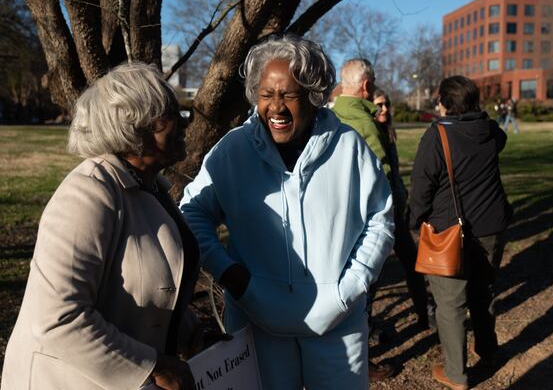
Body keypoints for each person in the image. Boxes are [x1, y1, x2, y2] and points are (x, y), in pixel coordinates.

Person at [179, 35, 394, 390]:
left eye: (289, 95)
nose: (276, 107)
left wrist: (349, 288)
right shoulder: (232, 151)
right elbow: (193, 213)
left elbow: (380, 220)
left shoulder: (348, 148)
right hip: (256, 323)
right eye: (266, 94)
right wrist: (232, 276)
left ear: (312, 95)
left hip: (336, 326)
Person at [1, 63, 201, 390]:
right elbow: (57, 319)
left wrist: (192, 333)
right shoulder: (88, 194)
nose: (183, 122)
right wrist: (153, 365)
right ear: (135, 127)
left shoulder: (151, 188)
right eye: (170, 114)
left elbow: (149, 287)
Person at [409, 75, 512, 390]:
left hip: (449, 231)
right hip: (492, 225)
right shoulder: (490, 130)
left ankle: (456, 374)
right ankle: (488, 351)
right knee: (483, 294)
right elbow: (501, 140)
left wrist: (415, 223)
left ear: (444, 103)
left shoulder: (437, 136)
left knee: (451, 304)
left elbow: (421, 188)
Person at [332, 62, 430, 331]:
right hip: (375, 217)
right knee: (369, 274)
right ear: (366, 85)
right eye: (373, 81)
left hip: (344, 214)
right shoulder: (364, 123)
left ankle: (422, 312)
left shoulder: (330, 117)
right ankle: (364, 334)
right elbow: (381, 176)